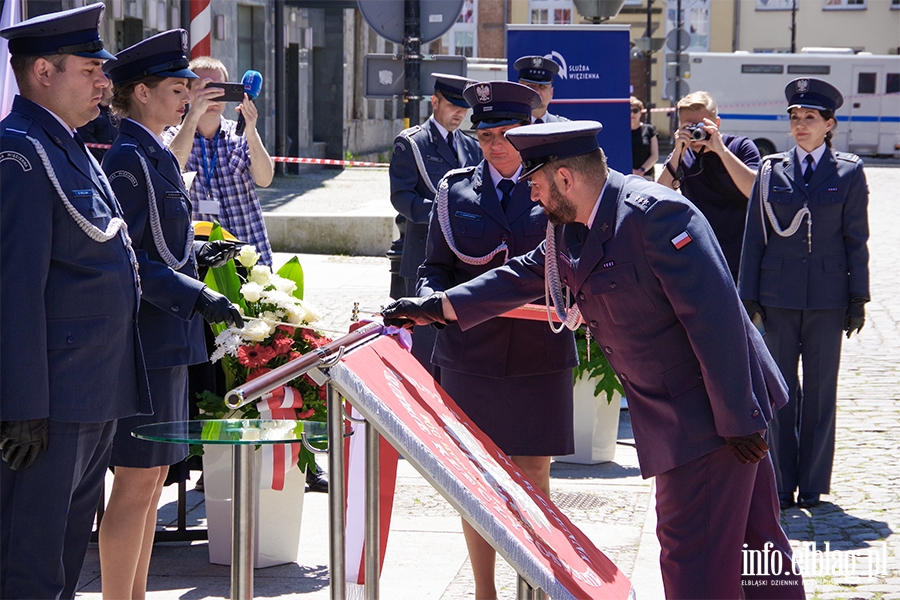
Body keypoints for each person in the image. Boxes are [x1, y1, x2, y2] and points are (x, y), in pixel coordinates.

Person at [383, 121, 806, 599]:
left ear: (566, 179)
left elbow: (717, 321)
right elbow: (520, 276)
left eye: (537, 186)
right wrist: (436, 306)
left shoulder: (656, 216)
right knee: (758, 552)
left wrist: (739, 418)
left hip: (710, 416)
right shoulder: (570, 230)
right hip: (698, 412)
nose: (534, 198)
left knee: (696, 557)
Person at [0, 5, 151, 598]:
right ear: (42, 71)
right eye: (90, 69)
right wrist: (22, 404)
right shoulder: (19, 153)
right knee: (29, 565)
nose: (103, 84)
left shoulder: (70, 148)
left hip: (92, 391)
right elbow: (16, 288)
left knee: (63, 560)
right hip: (51, 403)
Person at [418, 81, 577, 600]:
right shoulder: (455, 190)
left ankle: (533, 582)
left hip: (539, 351)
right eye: (484, 135)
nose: (494, 145)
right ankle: (485, 591)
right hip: (471, 351)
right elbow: (434, 268)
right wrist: (428, 300)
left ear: (528, 131)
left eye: (505, 133)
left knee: (533, 470)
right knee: (477, 478)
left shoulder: (557, 186)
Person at [100, 29, 243, 599]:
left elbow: (162, 243)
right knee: (135, 484)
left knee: (155, 477)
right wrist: (195, 294)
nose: (188, 96)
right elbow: (129, 257)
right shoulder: (131, 157)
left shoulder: (152, 150)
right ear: (140, 91)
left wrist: (200, 259)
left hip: (171, 336)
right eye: (177, 86)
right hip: (150, 336)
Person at [739, 78, 869, 511]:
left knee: (819, 390)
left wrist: (857, 298)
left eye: (810, 118)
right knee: (778, 391)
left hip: (829, 300)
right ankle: (779, 482)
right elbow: (754, 237)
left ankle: (813, 483)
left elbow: (856, 239)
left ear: (829, 124)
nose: (800, 125)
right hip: (777, 296)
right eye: (795, 118)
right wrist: (749, 295)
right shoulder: (771, 169)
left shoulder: (848, 171)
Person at [389, 73, 481, 378]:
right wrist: (444, 216)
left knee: (459, 341)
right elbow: (403, 197)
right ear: (435, 101)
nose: (459, 113)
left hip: (462, 258)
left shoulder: (471, 147)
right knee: (424, 348)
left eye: (463, 108)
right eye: (453, 106)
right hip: (423, 256)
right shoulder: (412, 143)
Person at [163, 56, 275, 267]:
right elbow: (169, 170)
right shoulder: (174, 136)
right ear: (188, 92)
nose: (213, 97)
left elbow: (265, 179)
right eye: (206, 88)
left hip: (249, 252)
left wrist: (251, 131)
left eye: (218, 87)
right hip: (203, 259)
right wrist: (194, 114)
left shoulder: (240, 133)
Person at [657, 91, 761, 281]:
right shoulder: (681, 155)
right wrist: (678, 150)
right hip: (701, 252)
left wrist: (720, 150)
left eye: (701, 125)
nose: (696, 132)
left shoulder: (741, 147)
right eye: (689, 126)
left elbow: (755, 191)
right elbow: (659, 195)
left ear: (717, 123)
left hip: (742, 252)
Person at [514, 55, 568, 124]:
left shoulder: (563, 127)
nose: (537, 92)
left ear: (551, 92)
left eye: (542, 86)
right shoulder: (508, 129)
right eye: (531, 86)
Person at [77, 81, 117, 162]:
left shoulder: (116, 110)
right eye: (101, 85)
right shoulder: (89, 109)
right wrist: (103, 158)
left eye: (108, 84)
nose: (104, 88)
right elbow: (85, 137)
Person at [630, 96, 658, 180]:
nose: (632, 114)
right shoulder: (622, 132)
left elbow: (655, 155)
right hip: (626, 176)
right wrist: (631, 171)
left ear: (640, 112)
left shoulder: (649, 129)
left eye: (635, 111)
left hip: (646, 175)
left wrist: (641, 170)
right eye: (629, 111)